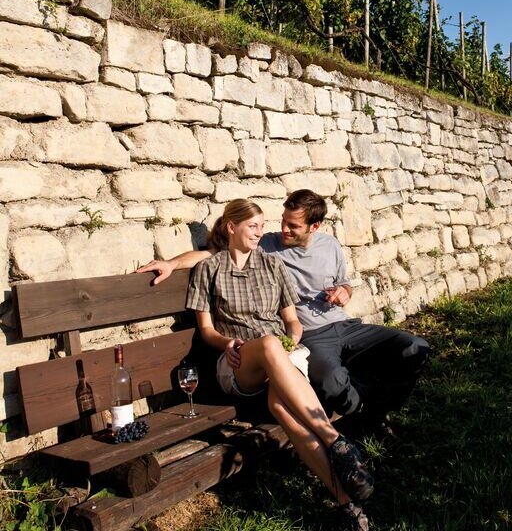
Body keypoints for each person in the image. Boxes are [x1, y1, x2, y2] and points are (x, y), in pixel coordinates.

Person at [139, 189, 430, 435]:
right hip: (309, 335)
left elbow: (344, 283)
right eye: (283, 222)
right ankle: (367, 417)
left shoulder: (330, 245)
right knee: (331, 383)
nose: (283, 230)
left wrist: (345, 292)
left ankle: (378, 408)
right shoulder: (266, 245)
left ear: (314, 227)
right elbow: (211, 253)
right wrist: (171, 264)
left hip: (344, 324)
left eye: (293, 226)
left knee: (414, 348)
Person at [182, 198, 371, 531]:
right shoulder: (209, 269)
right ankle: (336, 441)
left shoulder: (273, 266)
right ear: (231, 228)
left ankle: (347, 506)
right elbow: (207, 330)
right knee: (269, 343)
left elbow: (291, 321)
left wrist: (293, 339)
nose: (260, 232)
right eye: (253, 226)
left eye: (260, 226)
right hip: (239, 362)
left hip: (281, 358)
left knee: (284, 408)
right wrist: (229, 343)